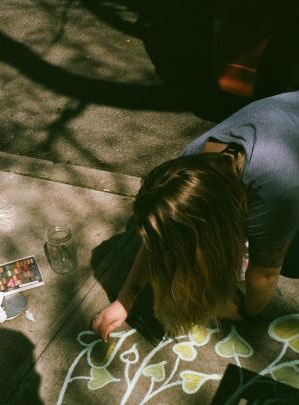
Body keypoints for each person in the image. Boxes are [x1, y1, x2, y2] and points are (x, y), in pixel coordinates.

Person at [93, 90, 299, 341]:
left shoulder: (275, 192)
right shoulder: (191, 166)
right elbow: (162, 235)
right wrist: (125, 300)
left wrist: (244, 311)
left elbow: (266, 272)